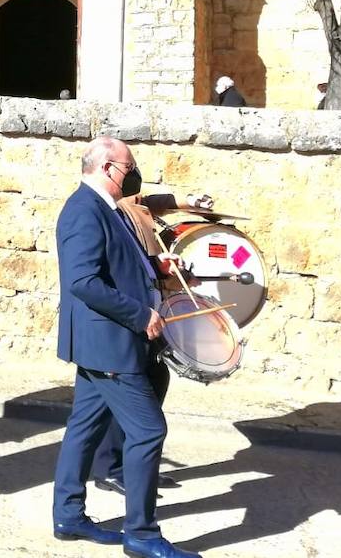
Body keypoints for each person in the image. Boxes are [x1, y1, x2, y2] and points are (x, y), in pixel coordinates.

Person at [51, 136, 201, 558]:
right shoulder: (83, 210)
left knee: (85, 427)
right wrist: (140, 315)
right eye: (128, 166)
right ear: (105, 167)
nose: (133, 173)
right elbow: (84, 282)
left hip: (108, 342)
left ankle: (68, 515)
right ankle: (141, 534)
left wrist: (158, 267)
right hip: (111, 342)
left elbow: (119, 264)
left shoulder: (110, 208)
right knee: (148, 431)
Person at [90, 188, 215, 498]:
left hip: (150, 308)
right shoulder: (109, 208)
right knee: (122, 398)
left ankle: (137, 468)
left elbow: (153, 202)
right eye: (126, 168)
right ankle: (111, 469)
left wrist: (189, 202)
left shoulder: (131, 206)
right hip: (129, 313)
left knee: (156, 378)